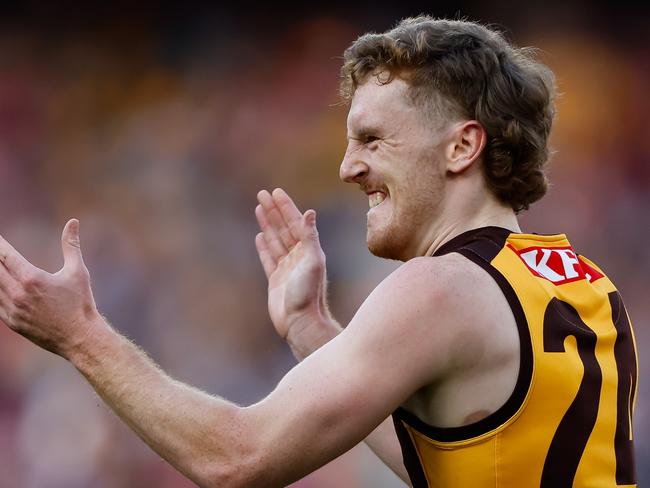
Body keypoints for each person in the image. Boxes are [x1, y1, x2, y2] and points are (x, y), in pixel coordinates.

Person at [0, 16, 638, 487]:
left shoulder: (442, 288)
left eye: (372, 138)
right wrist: (312, 331)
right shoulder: (589, 286)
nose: (346, 166)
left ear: (461, 147)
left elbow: (236, 460)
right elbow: (466, 460)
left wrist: (80, 334)